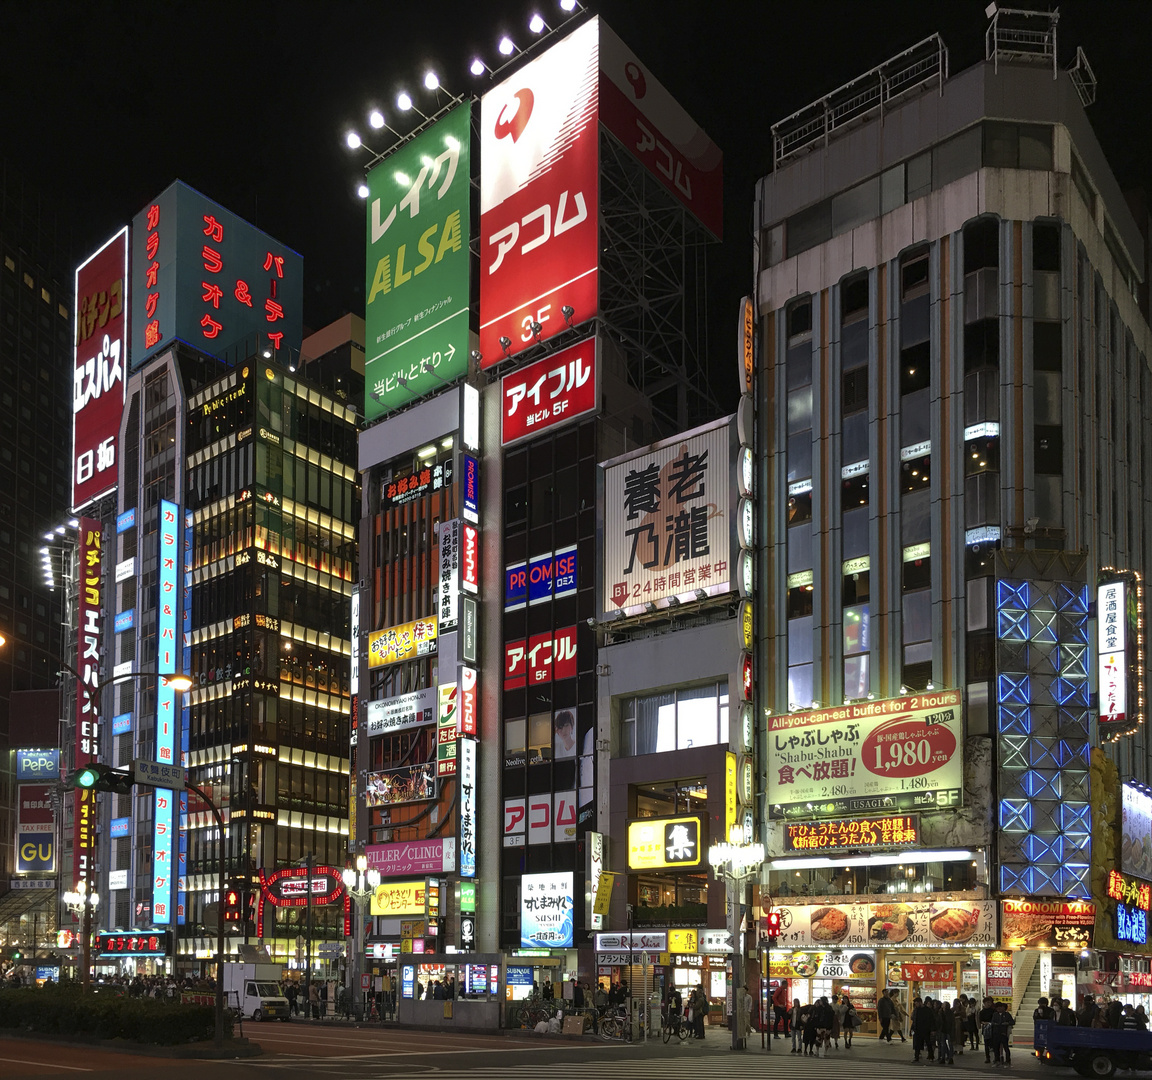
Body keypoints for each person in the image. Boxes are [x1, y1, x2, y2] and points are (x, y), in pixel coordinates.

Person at [990, 1000, 1015, 1064]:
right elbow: (992, 1022)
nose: (999, 1009)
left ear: (1003, 1007)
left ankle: (1008, 1060)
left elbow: (1012, 1022)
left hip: (1004, 1032)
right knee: (996, 1047)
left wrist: (1007, 1023)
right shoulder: (995, 1014)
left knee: (1006, 1047)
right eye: (997, 1008)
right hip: (996, 1032)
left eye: (1000, 1008)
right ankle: (997, 1059)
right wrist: (994, 1024)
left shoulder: (1007, 1014)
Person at [912, 995, 935, 1063]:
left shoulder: (927, 1010)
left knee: (928, 1043)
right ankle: (916, 1057)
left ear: (920, 1002)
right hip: (917, 1030)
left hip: (926, 1029)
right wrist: (913, 1028)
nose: (915, 1005)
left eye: (916, 1003)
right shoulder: (916, 1010)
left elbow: (932, 1020)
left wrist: (932, 1029)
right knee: (917, 1044)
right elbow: (914, 1020)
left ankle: (931, 1056)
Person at [938, 1000, 955, 1064]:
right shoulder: (941, 1012)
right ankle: (944, 1057)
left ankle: (950, 1057)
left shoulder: (950, 1013)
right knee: (943, 1044)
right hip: (943, 1029)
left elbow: (952, 1023)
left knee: (950, 1044)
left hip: (948, 1029)